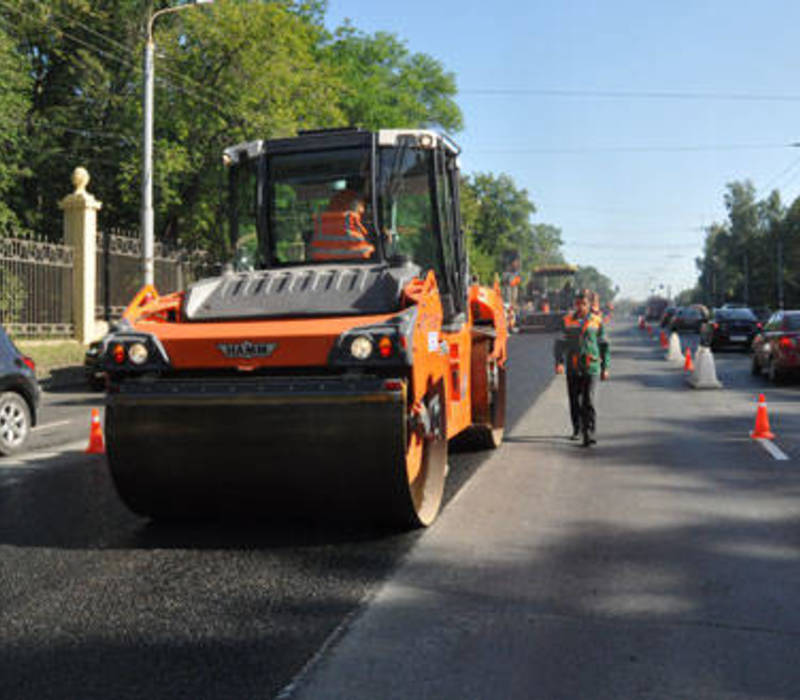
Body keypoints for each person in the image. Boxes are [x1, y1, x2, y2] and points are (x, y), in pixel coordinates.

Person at [554, 289, 610, 447]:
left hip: (591, 366)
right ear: (574, 304)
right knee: (574, 400)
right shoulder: (567, 321)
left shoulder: (597, 321)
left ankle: (589, 434)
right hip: (573, 366)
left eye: (584, 304)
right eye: (578, 304)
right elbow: (559, 344)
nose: (580, 307)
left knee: (588, 401)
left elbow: (604, 345)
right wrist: (559, 362)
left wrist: (605, 367)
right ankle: (577, 429)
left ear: (589, 304)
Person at [310, 190, 375, 261]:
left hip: (320, 266)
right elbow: (367, 252)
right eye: (363, 206)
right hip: (359, 265)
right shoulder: (353, 224)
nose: (364, 211)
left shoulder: (320, 225)